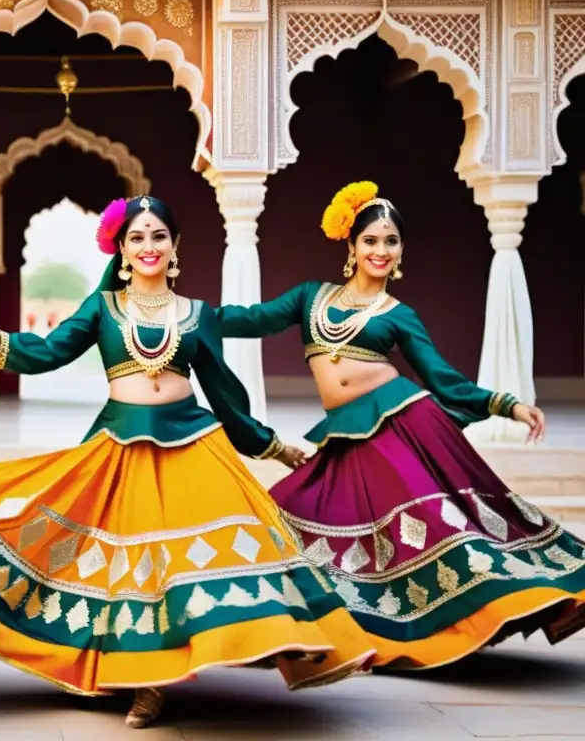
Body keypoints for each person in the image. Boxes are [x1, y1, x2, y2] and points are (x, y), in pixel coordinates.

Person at [0, 195, 377, 730]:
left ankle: (221, 655)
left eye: (159, 236)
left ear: (175, 246)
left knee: (201, 564)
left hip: (192, 448)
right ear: (122, 249)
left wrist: (272, 446)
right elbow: (46, 351)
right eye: (137, 238)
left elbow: (227, 397)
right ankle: (144, 684)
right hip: (120, 449)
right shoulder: (103, 308)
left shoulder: (197, 316)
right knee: (130, 574)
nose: (149, 246)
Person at [215, 180, 585, 670]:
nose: (380, 251)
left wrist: (507, 404)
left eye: (390, 242)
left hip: (404, 425)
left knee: (435, 531)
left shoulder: (399, 315)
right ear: (351, 246)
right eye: (370, 240)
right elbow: (250, 319)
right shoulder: (310, 297)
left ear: (400, 250)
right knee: (285, 519)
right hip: (347, 435)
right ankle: (286, 626)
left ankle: (521, 608)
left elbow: (443, 379)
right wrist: (182, 316)